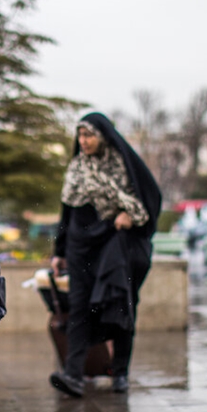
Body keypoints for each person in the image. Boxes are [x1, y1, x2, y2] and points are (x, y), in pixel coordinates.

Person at [48, 112, 162, 397]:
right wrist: (59, 251)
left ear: (103, 136)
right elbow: (67, 210)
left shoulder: (122, 164)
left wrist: (130, 216)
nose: (84, 141)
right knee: (78, 307)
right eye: (80, 135)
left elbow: (150, 197)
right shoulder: (77, 167)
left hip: (112, 244)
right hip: (79, 245)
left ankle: (120, 372)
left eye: (89, 135)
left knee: (120, 303)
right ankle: (73, 374)